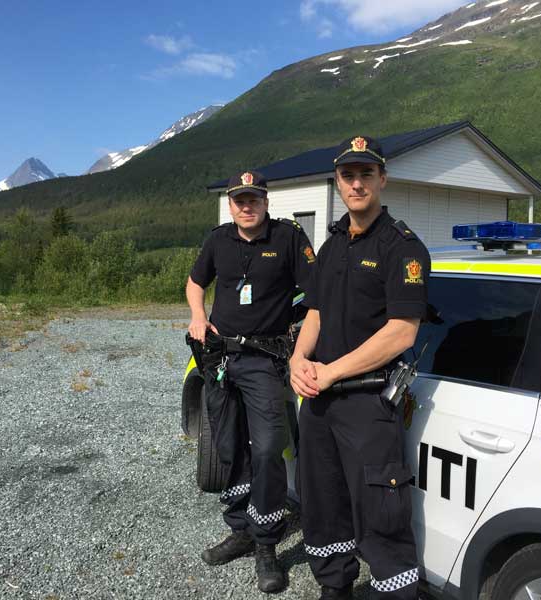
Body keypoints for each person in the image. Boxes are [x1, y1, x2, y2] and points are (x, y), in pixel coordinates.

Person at [289, 136, 430, 599]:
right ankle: (334, 588)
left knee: (381, 518)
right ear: (338, 182)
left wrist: (331, 372)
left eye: (366, 174)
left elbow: (401, 333)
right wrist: (298, 360)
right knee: (323, 505)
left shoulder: (402, 248)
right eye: (348, 175)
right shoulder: (331, 246)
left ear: (382, 179)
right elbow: (315, 313)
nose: (356, 183)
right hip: (319, 401)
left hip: (367, 403)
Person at [186, 170, 315, 593]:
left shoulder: (288, 238)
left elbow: (315, 297)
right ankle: (240, 527)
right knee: (228, 446)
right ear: (230, 203)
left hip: (264, 361)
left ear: (265, 200)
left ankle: (266, 545)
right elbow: (194, 282)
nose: (246, 206)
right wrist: (198, 316)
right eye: (239, 199)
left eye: (253, 199)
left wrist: (300, 350)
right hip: (222, 359)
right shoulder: (218, 239)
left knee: (266, 452)